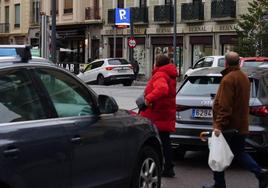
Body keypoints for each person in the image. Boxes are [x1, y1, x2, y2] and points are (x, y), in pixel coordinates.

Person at [203, 51, 268, 188]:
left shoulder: (228, 79)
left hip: (228, 126)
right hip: (241, 124)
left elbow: (225, 106)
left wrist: (219, 126)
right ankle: (260, 172)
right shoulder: (243, 77)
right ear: (239, 62)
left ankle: (219, 183)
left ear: (226, 63)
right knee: (239, 152)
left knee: (218, 152)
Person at [140, 54, 177, 177]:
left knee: (150, 141)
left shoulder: (160, 74)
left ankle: (163, 166)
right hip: (165, 112)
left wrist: (148, 99)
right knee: (166, 141)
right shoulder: (169, 74)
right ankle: (169, 167)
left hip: (156, 113)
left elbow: (162, 89)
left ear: (157, 63)